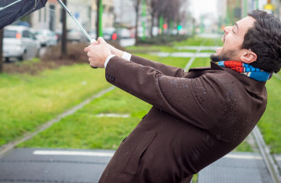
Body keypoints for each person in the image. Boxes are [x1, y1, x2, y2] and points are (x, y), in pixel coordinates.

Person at [84, 10, 281, 183]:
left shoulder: (226, 95)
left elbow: (158, 85)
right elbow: (180, 78)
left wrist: (108, 61)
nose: (226, 28)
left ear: (247, 56)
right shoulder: (247, 87)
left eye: (235, 30)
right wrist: (119, 55)